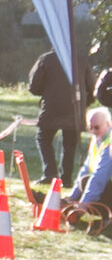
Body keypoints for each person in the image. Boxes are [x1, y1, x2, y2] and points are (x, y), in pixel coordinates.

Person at [28, 48, 84, 190]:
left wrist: (48, 92)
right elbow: (91, 84)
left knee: (43, 138)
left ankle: (50, 174)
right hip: (75, 109)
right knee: (69, 145)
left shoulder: (45, 59)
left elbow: (34, 86)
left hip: (51, 108)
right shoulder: (81, 59)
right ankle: (66, 179)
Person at [64, 106, 112, 210]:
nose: (93, 131)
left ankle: (106, 217)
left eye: (97, 127)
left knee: (90, 184)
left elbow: (99, 178)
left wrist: (82, 206)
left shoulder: (110, 143)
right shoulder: (97, 140)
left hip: (106, 184)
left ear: (108, 124)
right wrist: (72, 197)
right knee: (84, 181)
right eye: (90, 127)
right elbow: (85, 169)